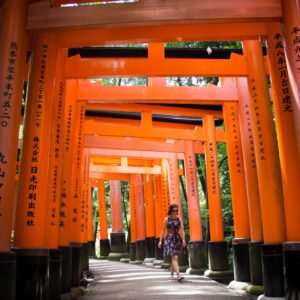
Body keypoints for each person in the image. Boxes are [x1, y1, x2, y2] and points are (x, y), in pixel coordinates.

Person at [158, 204, 186, 281]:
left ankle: (171, 274)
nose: (175, 212)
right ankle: (178, 275)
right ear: (171, 211)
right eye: (174, 210)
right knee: (175, 257)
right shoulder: (167, 219)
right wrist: (160, 241)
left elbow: (182, 230)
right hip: (170, 239)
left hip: (177, 239)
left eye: (177, 210)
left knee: (174, 257)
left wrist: (183, 240)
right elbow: (163, 231)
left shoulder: (179, 219)